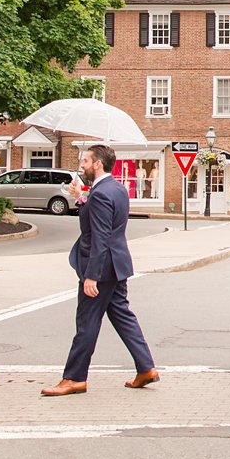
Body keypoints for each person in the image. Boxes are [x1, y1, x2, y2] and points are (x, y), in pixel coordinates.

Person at [42, 144, 159, 396]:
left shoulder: (101, 193)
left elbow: (100, 236)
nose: (82, 165)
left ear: (97, 164)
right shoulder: (115, 189)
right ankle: (146, 368)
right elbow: (99, 219)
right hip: (117, 266)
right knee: (123, 317)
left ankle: (74, 378)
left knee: (87, 322)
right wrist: (81, 197)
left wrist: (91, 276)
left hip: (101, 269)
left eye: (85, 160)